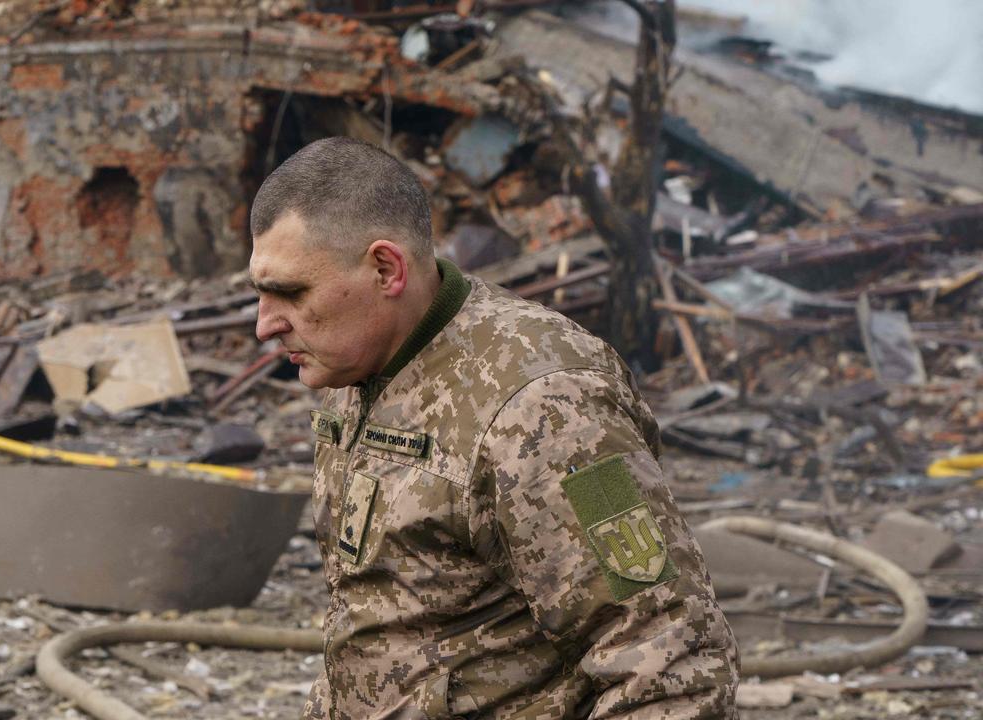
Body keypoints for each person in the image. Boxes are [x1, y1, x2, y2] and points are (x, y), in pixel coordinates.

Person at [249, 137, 738, 719]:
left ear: (386, 269)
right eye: (260, 293)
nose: (264, 326)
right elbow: (388, 625)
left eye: (290, 293)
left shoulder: (550, 406)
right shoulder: (356, 366)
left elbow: (672, 662)